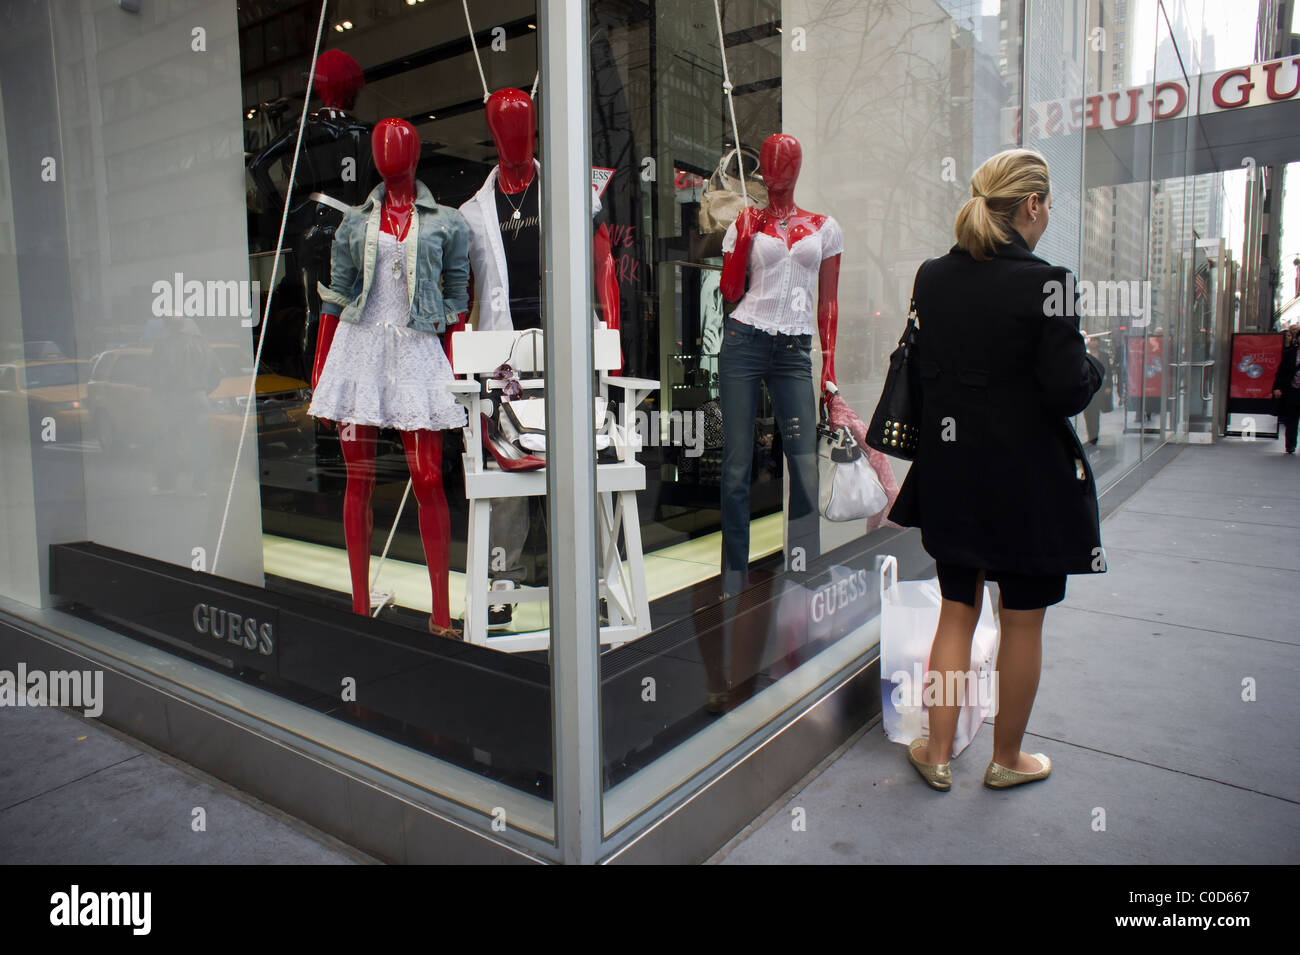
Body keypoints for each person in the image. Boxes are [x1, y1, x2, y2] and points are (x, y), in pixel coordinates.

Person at [888, 148, 1105, 791]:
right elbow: (1067, 390)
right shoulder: (1050, 283)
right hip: (1028, 484)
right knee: (1022, 620)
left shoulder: (933, 275)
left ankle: (936, 753)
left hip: (953, 472)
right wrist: (1092, 360)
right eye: (1048, 206)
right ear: (1032, 205)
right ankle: (1008, 760)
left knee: (956, 609)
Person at [1273, 327, 1299, 454]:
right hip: (1292, 390)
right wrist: (1277, 387)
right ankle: (1290, 445)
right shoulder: (1289, 354)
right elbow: (1281, 372)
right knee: (1291, 419)